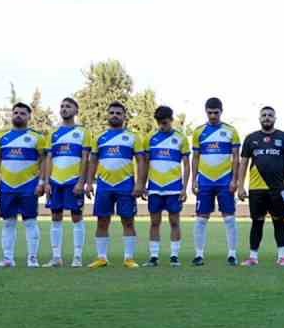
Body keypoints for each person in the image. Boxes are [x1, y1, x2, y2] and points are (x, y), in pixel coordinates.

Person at [83, 102, 147, 269]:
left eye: (118, 113)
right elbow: (93, 161)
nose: (115, 115)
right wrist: (89, 183)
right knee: (102, 221)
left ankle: (129, 258)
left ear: (124, 116)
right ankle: (102, 258)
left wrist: (140, 183)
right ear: (107, 115)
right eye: (112, 112)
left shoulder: (133, 137)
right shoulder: (99, 138)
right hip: (104, 185)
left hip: (126, 185)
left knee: (128, 221)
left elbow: (141, 161)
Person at [0, 103, 51, 268]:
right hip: (7, 186)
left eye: (22, 113)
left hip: (29, 186)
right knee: (8, 222)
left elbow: (44, 161)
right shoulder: (2, 137)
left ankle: (32, 258)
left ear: (29, 117)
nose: (18, 115)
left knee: (30, 221)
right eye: (15, 112)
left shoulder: (37, 137)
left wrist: (42, 182)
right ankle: (8, 259)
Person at [236, 105, 284, 266]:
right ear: (259, 118)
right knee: (257, 222)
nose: (267, 117)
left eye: (270, 115)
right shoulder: (251, 138)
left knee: (279, 221)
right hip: (256, 189)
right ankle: (253, 257)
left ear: (275, 118)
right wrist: (240, 186)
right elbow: (243, 163)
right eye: (264, 115)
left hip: (278, 189)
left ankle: (282, 257)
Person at [190, 97, 239, 266]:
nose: (213, 116)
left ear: (221, 111)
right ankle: (199, 254)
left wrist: (235, 180)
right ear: (206, 112)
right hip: (205, 181)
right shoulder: (198, 132)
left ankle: (232, 254)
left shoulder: (231, 131)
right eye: (210, 113)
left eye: (216, 113)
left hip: (225, 181)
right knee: (201, 218)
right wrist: (193, 180)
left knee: (229, 218)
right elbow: (195, 157)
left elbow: (236, 158)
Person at [144, 105, 190, 267]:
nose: (162, 126)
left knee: (174, 221)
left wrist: (184, 188)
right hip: (155, 188)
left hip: (174, 188)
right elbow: (145, 163)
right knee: (154, 222)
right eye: (159, 123)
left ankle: (174, 256)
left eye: (165, 122)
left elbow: (186, 164)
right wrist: (143, 185)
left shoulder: (181, 138)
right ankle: (154, 256)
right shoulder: (150, 138)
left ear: (171, 120)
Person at [46, 97, 88, 267]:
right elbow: (49, 158)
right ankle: (56, 257)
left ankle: (77, 256)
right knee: (55, 217)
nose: (64, 109)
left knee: (76, 216)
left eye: (68, 106)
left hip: (73, 182)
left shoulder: (83, 133)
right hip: (55, 181)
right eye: (62, 106)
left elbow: (85, 158)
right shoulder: (53, 133)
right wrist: (47, 181)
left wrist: (81, 182)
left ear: (76, 111)